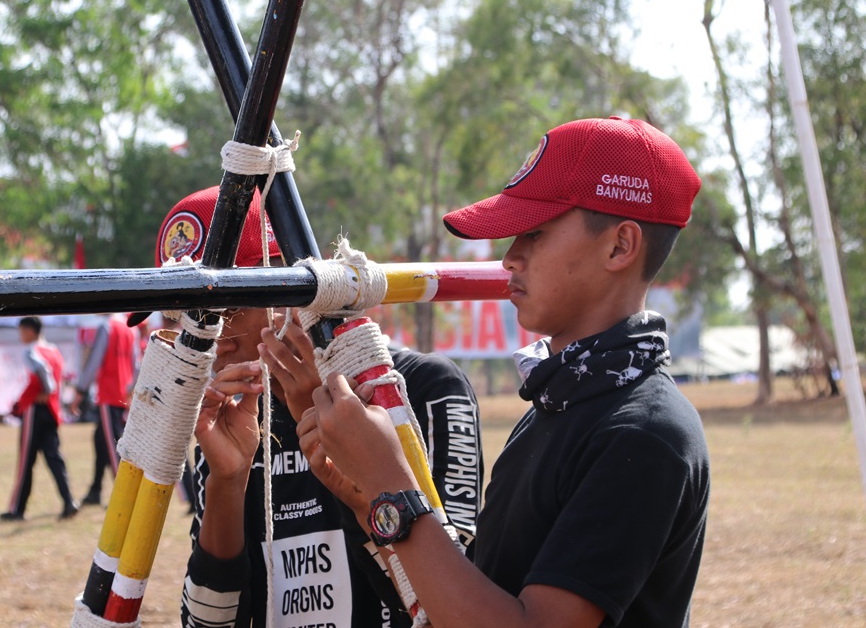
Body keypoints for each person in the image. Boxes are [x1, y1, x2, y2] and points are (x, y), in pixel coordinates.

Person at [299, 116, 711, 627]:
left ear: (620, 246)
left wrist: (390, 484)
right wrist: (369, 504)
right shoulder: (560, 402)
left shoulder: (645, 433)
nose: (510, 257)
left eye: (535, 233)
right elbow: (474, 601)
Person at [133, 186, 483, 627]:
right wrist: (227, 480)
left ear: (288, 285)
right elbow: (204, 622)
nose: (206, 335)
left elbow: (455, 605)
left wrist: (347, 457)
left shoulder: (423, 387)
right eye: (182, 316)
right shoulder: (231, 415)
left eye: (226, 307)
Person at [1, 316, 78, 521]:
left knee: (26, 460)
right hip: (52, 411)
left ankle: (18, 509)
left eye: (21, 331)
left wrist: (46, 388)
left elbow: (44, 373)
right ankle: (68, 501)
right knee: (54, 458)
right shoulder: (54, 350)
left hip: (35, 410)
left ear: (30, 331)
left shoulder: (31, 351)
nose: (20, 335)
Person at [72, 312, 136, 506]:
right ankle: (95, 490)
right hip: (124, 392)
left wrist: (80, 390)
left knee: (112, 444)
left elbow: (94, 361)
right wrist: (131, 389)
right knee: (100, 440)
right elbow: (135, 362)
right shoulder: (129, 327)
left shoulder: (105, 327)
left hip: (109, 393)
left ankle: (124, 495)